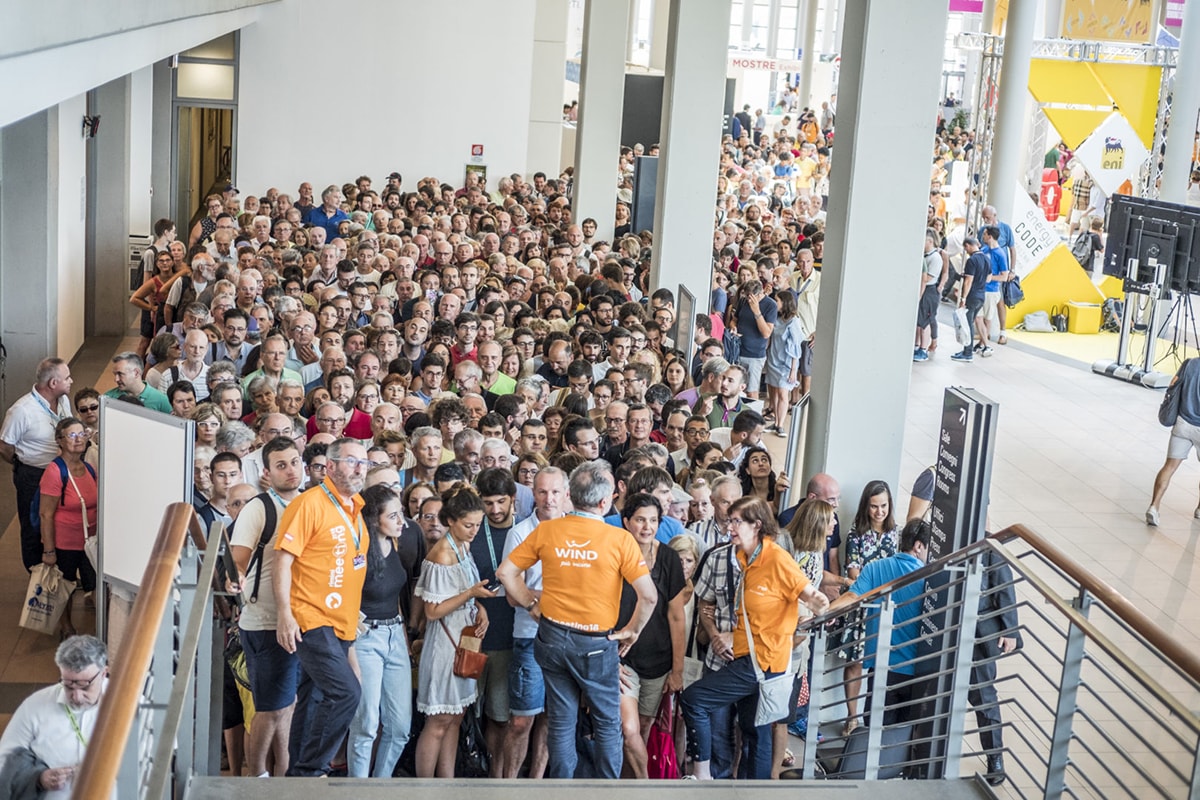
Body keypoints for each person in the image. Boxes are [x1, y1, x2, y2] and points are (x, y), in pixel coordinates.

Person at [495, 460, 658, 779]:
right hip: (596, 644)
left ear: (570, 495)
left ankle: (563, 789)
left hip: (552, 637)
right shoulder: (620, 539)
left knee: (561, 719)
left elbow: (505, 573)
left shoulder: (547, 530)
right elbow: (649, 595)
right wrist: (632, 630)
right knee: (607, 722)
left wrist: (531, 604)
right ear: (604, 501)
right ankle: (606, 792)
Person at [681, 497, 828, 780]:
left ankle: (701, 776)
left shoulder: (776, 558)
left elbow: (808, 594)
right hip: (751, 658)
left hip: (762, 662)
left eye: (738, 521)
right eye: (731, 519)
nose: (730, 525)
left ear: (756, 525)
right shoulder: (746, 557)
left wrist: (818, 607)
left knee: (694, 699)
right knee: (755, 732)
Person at [274, 437, 371, 777]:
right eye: (351, 461)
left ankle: (296, 776)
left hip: (342, 624)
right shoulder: (309, 503)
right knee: (346, 693)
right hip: (311, 619)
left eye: (364, 462)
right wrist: (285, 614)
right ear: (330, 466)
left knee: (315, 698)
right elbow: (283, 560)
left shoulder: (356, 508)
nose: (359, 468)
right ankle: (310, 771)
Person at [228, 436, 306, 777]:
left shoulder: (311, 503)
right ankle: (256, 776)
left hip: (303, 620)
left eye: (294, 462)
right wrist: (236, 583)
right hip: (263, 621)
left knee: (288, 706)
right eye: (281, 465)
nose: (291, 470)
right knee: (271, 707)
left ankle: (282, 777)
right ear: (267, 472)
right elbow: (237, 563)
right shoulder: (258, 508)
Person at [414, 483, 492, 778]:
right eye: (468, 525)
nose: (474, 530)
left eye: (477, 525)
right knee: (438, 722)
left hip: (463, 639)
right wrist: (471, 593)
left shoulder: (462, 546)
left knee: (456, 717)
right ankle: (424, 787)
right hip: (445, 645)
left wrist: (479, 606)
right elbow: (432, 610)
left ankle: (447, 784)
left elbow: (468, 593)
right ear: (451, 521)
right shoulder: (442, 555)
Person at [616, 493, 687, 778]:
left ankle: (628, 787)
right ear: (626, 522)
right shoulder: (615, 553)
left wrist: (678, 670)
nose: (647, 527)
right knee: (628, 728)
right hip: (623, 659)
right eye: (640, 520)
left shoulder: (668, 558)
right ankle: (647, 788)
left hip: (659, 661)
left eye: (653, 520)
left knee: (643, 728)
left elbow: (676, 615)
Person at [347, 484, 414, 778]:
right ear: (374, 519)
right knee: (366, 724)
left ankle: (380, 786)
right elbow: (346, 599)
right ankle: (358, 791)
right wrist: (349, 648)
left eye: (401, 514)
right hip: (365, 638)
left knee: (400, 727)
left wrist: (404, 636)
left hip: (395, 634)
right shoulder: (357, 549)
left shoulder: (395, 543)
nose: (403, 521)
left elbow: (396, 594)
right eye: (394, 516)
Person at [0, 635, 108, 799]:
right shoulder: (35, 705)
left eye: (85, 687)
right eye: (68, 686)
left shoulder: (130, 705)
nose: (77, 696)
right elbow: (5, 760)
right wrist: (38, 778)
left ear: (103, 673)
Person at [836, 479, 901, 735]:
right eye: (874, 506)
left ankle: (875, 717)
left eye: (884, 505)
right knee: (856, 663)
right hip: (863, 607)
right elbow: (854, 572)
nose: (879, 512)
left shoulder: (896, 533)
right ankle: (852, 717)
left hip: (888, 606)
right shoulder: (856, 535)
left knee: (881, 663)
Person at [0, 357, 75, 571]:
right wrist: (21, 462)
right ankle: (36, 573)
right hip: (34, 476)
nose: (71, 381)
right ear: (53, 383)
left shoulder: (63, 401)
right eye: (67, 377)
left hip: (62, 471)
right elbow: (5, 445)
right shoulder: (21, 411)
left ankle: (59, 570)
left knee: (59, 520)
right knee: (34, 525)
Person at [38, 417, 99, 638]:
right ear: (60, 441)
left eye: (81, 434)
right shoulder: (55, 472)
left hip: (89, 541)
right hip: (65, 542)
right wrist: (49, 551)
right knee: (65, 586)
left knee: (94, 583)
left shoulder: (90, 469)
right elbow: (46, 514)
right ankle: (66, 627)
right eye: (71, 435)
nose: (78, 439)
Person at [1147, 358, 1200, 525]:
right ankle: (1199, 509)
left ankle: (1153, 507)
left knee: (1169, 466)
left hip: (1183, 423)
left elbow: (1173, 385)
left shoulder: (1189, 364)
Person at [763, 290, 804, 435]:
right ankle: (775, 422)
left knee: (782, 393)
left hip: (785, 364)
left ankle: (780, 425)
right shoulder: (776, 319)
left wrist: (793, 369)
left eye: (777, 301)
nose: (775, 303)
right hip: (773, 359)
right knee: (773, 391)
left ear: (785, 303)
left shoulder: (794, 322)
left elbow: (796, 346)